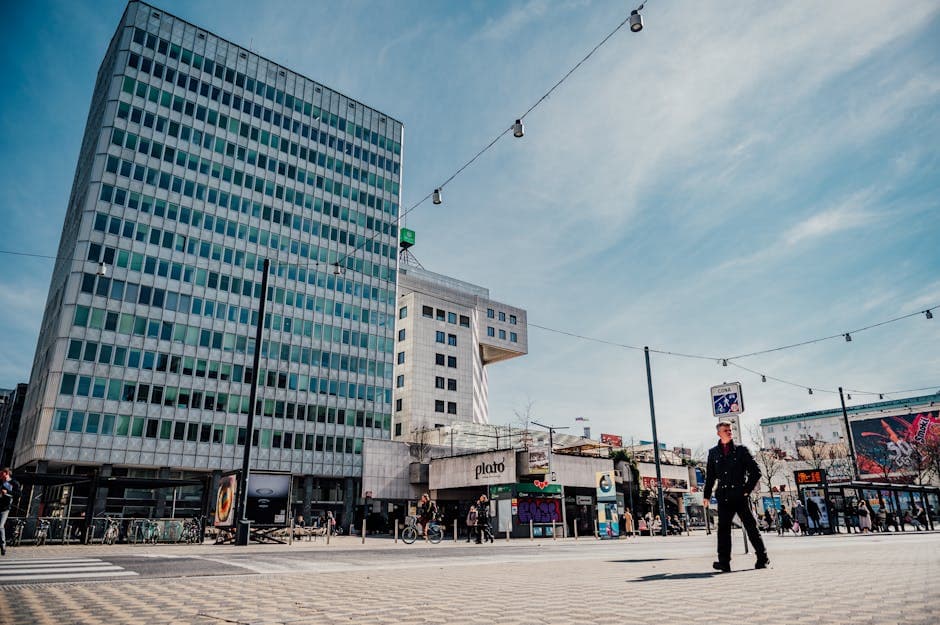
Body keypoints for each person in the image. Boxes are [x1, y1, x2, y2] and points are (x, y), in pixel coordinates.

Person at [703, 421, 769, 572]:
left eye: (730, 430)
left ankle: (762, 557)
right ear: (718, 433)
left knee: (751, 527)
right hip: (724, 496)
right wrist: (706, 495)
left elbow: (755, 472)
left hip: (740, 496)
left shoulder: (741, 450)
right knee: (723, 530)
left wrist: (746, 490)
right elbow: (710, 477)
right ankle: (724, 562)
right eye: (725, 430)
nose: (729, 432)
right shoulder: (713, 453)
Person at [0, 467, 20, 556]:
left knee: (0, 526)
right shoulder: (0, 482)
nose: (0, 475)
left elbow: (18, 495)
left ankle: (3, 545)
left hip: (5, 508)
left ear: (6, 473)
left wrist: (7, 492)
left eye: (2, 473)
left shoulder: (14, 483)